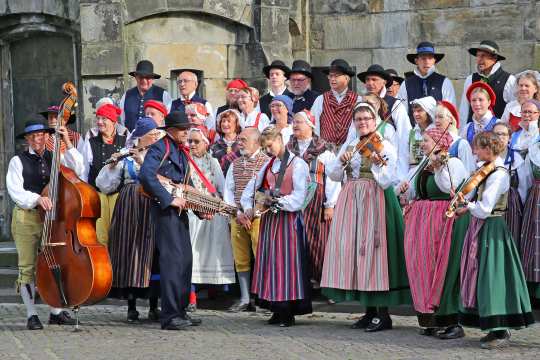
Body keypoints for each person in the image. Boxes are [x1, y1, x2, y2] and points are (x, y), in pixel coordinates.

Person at [321, 103, 411, 332]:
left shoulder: (385, 146)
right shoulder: (350, 145)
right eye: (358, 119)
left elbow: (385, 180)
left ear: (374, 120)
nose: (362, 122)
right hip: (352, 201)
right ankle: (368, 311)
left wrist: (376, 162)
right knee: (356, 253)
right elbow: (332, 174)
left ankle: (383, 314)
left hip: (376, 200)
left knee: (375, 253)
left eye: (366, 119)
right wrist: (342, 161)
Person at [457, 131, 534, 349]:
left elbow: (484, 208)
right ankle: (494, 327)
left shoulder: (499, 173)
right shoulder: (486, 170)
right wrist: (464, 204)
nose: (475, 151)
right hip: (483, 226)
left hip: (492, 227)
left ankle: (500, 329)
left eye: (478, 148)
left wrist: (469, 206)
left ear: (489, 149)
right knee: (484, 274)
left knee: (494, 276)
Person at [7, 120, 84, 330]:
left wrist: (67, 142)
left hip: (52, 218)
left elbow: (78, 168)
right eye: (32, 136)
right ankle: (32, 314)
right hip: (27, 217)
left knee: (54, 261)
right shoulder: (18, 160)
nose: (36, 139)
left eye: (40, 135)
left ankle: (56, 312)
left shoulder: (54, 157)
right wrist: (37, 199)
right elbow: (15, 190)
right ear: (27, 139)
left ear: (47, 137)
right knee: (28, 266)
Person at [399, 127, 469, 340]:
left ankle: (451, 322)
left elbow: (451, 188)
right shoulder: (423, 164)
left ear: (440, 143)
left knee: (445, 268)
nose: (423, 144)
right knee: (424, 268)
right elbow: (414, 191)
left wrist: (440, 167)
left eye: (427, 140)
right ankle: (430, 320)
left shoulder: (453, 163)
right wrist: (403, 188)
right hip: (423, 222)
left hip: (445, 220)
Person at [139, 111, 207, 330]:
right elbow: (147, 175)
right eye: (182, 129)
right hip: (164, 211)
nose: (186, 132)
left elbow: (187, 186)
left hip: (179, 214)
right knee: (171, 264)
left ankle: (181, 310)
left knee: (185, 261)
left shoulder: (180, 151)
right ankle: (169, 316)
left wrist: (201, 209)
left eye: (187, 128)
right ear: (170, 130)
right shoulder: (161, 147)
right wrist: (168, 199)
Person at [240, 126, 312, 327]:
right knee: (271, 264)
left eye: (270, 145)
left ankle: (288, 311)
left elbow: (299, 197)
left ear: (280, 139)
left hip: (289, 222)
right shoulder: (269, 165)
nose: (268, 150)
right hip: (270, 222)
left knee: (288, 265)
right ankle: (276, 309)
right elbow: (251, 189)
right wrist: (248, 207)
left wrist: (277, 202)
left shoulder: (297, 164)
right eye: (264, 147)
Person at [95, 117, 164, 322]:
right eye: (150, 136)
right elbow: (104, 185)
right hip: (128, 208)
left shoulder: (159, 157)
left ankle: (154, 306)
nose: (154, 139)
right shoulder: (125, 158)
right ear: (139, 139)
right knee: (128, 253)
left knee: (151, 254)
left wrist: (143, 161)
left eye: (155, 136)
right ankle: (131, 307)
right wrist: (111, 165)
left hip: (150, 206)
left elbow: (159, 180)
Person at [287, 110, 340, 286]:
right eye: (294, 122)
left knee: (319, 241)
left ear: (310, 126)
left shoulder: (324, 150)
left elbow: (332, 178)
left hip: (317, 202)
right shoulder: (288, 148)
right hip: (295, 200)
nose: (295, 125)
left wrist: (330, 205)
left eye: (299, 122)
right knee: (297, 240)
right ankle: (303, 281)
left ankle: (326, 281)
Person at [187, 126, 236, 309]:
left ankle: (217, 292)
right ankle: (191, 296)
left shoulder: (213, 162)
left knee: (216, 251)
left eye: (196, 141)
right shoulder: (185, 161)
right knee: (193, 254)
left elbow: (222, 187)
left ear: (206, 144)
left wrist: (225, 208)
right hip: (193, 211)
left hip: (212, 210)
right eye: (189, 141)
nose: (192, 145)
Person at [223, 128, 269, 312]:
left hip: (259, 217)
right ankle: (244, 297)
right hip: (239, 216)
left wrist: (254, 212)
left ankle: (264, 297)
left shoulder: (266, 162)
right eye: (239, 139)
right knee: (240, 257)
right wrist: (238, 212)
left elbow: (267, 190)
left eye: (244, 140)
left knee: (262, 256)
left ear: (257, 142)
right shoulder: (235, 164)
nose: (239, 143)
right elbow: (228, 190)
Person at [80, 103, 128, 245]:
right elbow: (84, 171)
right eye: (98, 118)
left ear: (114, 122)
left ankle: (118, 265)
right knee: (101, 235)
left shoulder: (125, 141)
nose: (100, 122)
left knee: (119, 232)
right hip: (99, 194)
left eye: (104, 119)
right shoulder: (91, 143)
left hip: (119, 194)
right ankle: (104, 265)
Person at [356, 64, 412, 180]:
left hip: (389, 165)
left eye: (374, 79)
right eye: (367, 80)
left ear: (384, 82)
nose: (370, 83)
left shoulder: (395, 104)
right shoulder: (361, 103)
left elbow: (404, 138)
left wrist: (400, 174)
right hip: (363, 166)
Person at [459, 40, 515, 125]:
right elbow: (464, 109)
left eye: (483, 56)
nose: (479, 59)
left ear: (494, 58)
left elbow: (513, 110)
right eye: (477, 56)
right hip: (474, 134)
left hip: (497, 133)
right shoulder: (470, 79)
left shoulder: (509, 80)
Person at [312, 59, 361, 149]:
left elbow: (359, 128)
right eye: (330, 76)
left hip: (348, 151)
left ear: (347, 78)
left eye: (336, 76)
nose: (332, 79)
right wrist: (317, 148)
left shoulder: (358, 100)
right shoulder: (320, 99)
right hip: (325, 151)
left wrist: (351, 148)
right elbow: (315, 126)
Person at [492, 122, 528, 247]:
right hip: (489, 204)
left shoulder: (516, 158)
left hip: (510, 206)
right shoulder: (486, 157)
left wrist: (520, 207)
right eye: (496, 134)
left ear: (509, 138)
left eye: (503, 134)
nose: (500, 137)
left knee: (509, 238)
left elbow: (523, 187)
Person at [398, 42, 456, 116]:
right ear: (416, 61)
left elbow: (449, 111)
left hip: (438, 127)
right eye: (423, 58)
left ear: (434, 60)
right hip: (413, 127)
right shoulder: (406, 84)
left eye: (430, 58)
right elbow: (402, 113)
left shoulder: (444, 82)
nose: (427, 62)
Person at [519, 100, 540, 303]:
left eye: (532, 112)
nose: (527, 116)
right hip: (533, 192)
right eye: (524, 112)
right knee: (531, 239)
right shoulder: (518, 136)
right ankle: (532, 290)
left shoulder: (537, 136)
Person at [119, 60, 172, 132]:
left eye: (147, 77)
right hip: (131, 140)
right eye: (141, 77)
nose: (144, 81)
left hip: (155, 140)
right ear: (136, 77)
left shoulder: (163, 95)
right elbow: (122, 120)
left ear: (152, 78)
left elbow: (168, 121)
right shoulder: (127, 95)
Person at [435, 101, 476, 174]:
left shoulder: (462, 144)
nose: (436, 120)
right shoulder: (434, 143)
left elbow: (469, 172)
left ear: (450, 119)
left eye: (440, 117)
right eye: (435, 117)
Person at [406, 96, 436, 174]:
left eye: (419, 111)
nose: (416, 114)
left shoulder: (435, 133)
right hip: (411, 177)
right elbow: (405, 159)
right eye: (414, 111)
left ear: (429, 112)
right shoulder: (411, 133)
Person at [210, 109, 242, 174]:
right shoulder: (214, 146)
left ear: (236, 124)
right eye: (223, 121)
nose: (225, 124)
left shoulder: (242, 144)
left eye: (229, 121)